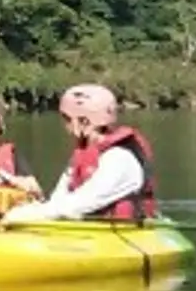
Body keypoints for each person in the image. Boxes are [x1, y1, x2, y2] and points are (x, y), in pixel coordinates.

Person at [15, 81, 157, 224]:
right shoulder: (81, 154)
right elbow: (59, 199)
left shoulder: (120, 158)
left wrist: (30, 214)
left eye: (68, 119)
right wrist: (34, 210)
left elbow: (87, 200)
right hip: (89, 230)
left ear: (84, 121)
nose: (66, 126)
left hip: (122, 232)